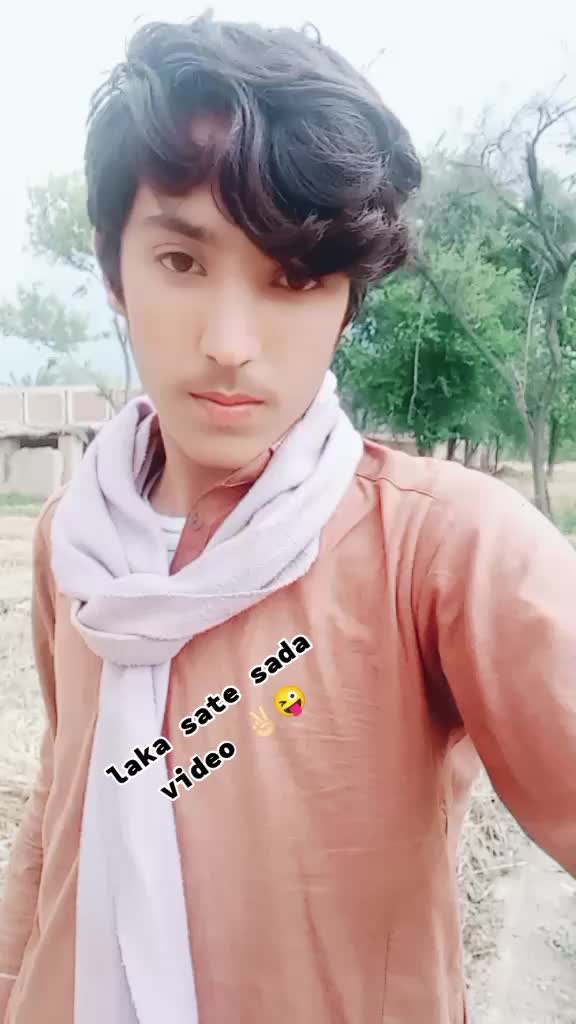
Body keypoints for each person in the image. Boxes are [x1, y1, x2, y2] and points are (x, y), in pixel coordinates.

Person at [0, 12, 574, 1024]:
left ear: (347, 301)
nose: (230, 342)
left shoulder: (444, 549)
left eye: (295, 277)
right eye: (182, 262)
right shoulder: (70, 540)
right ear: (113, 269)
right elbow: (63, 805)